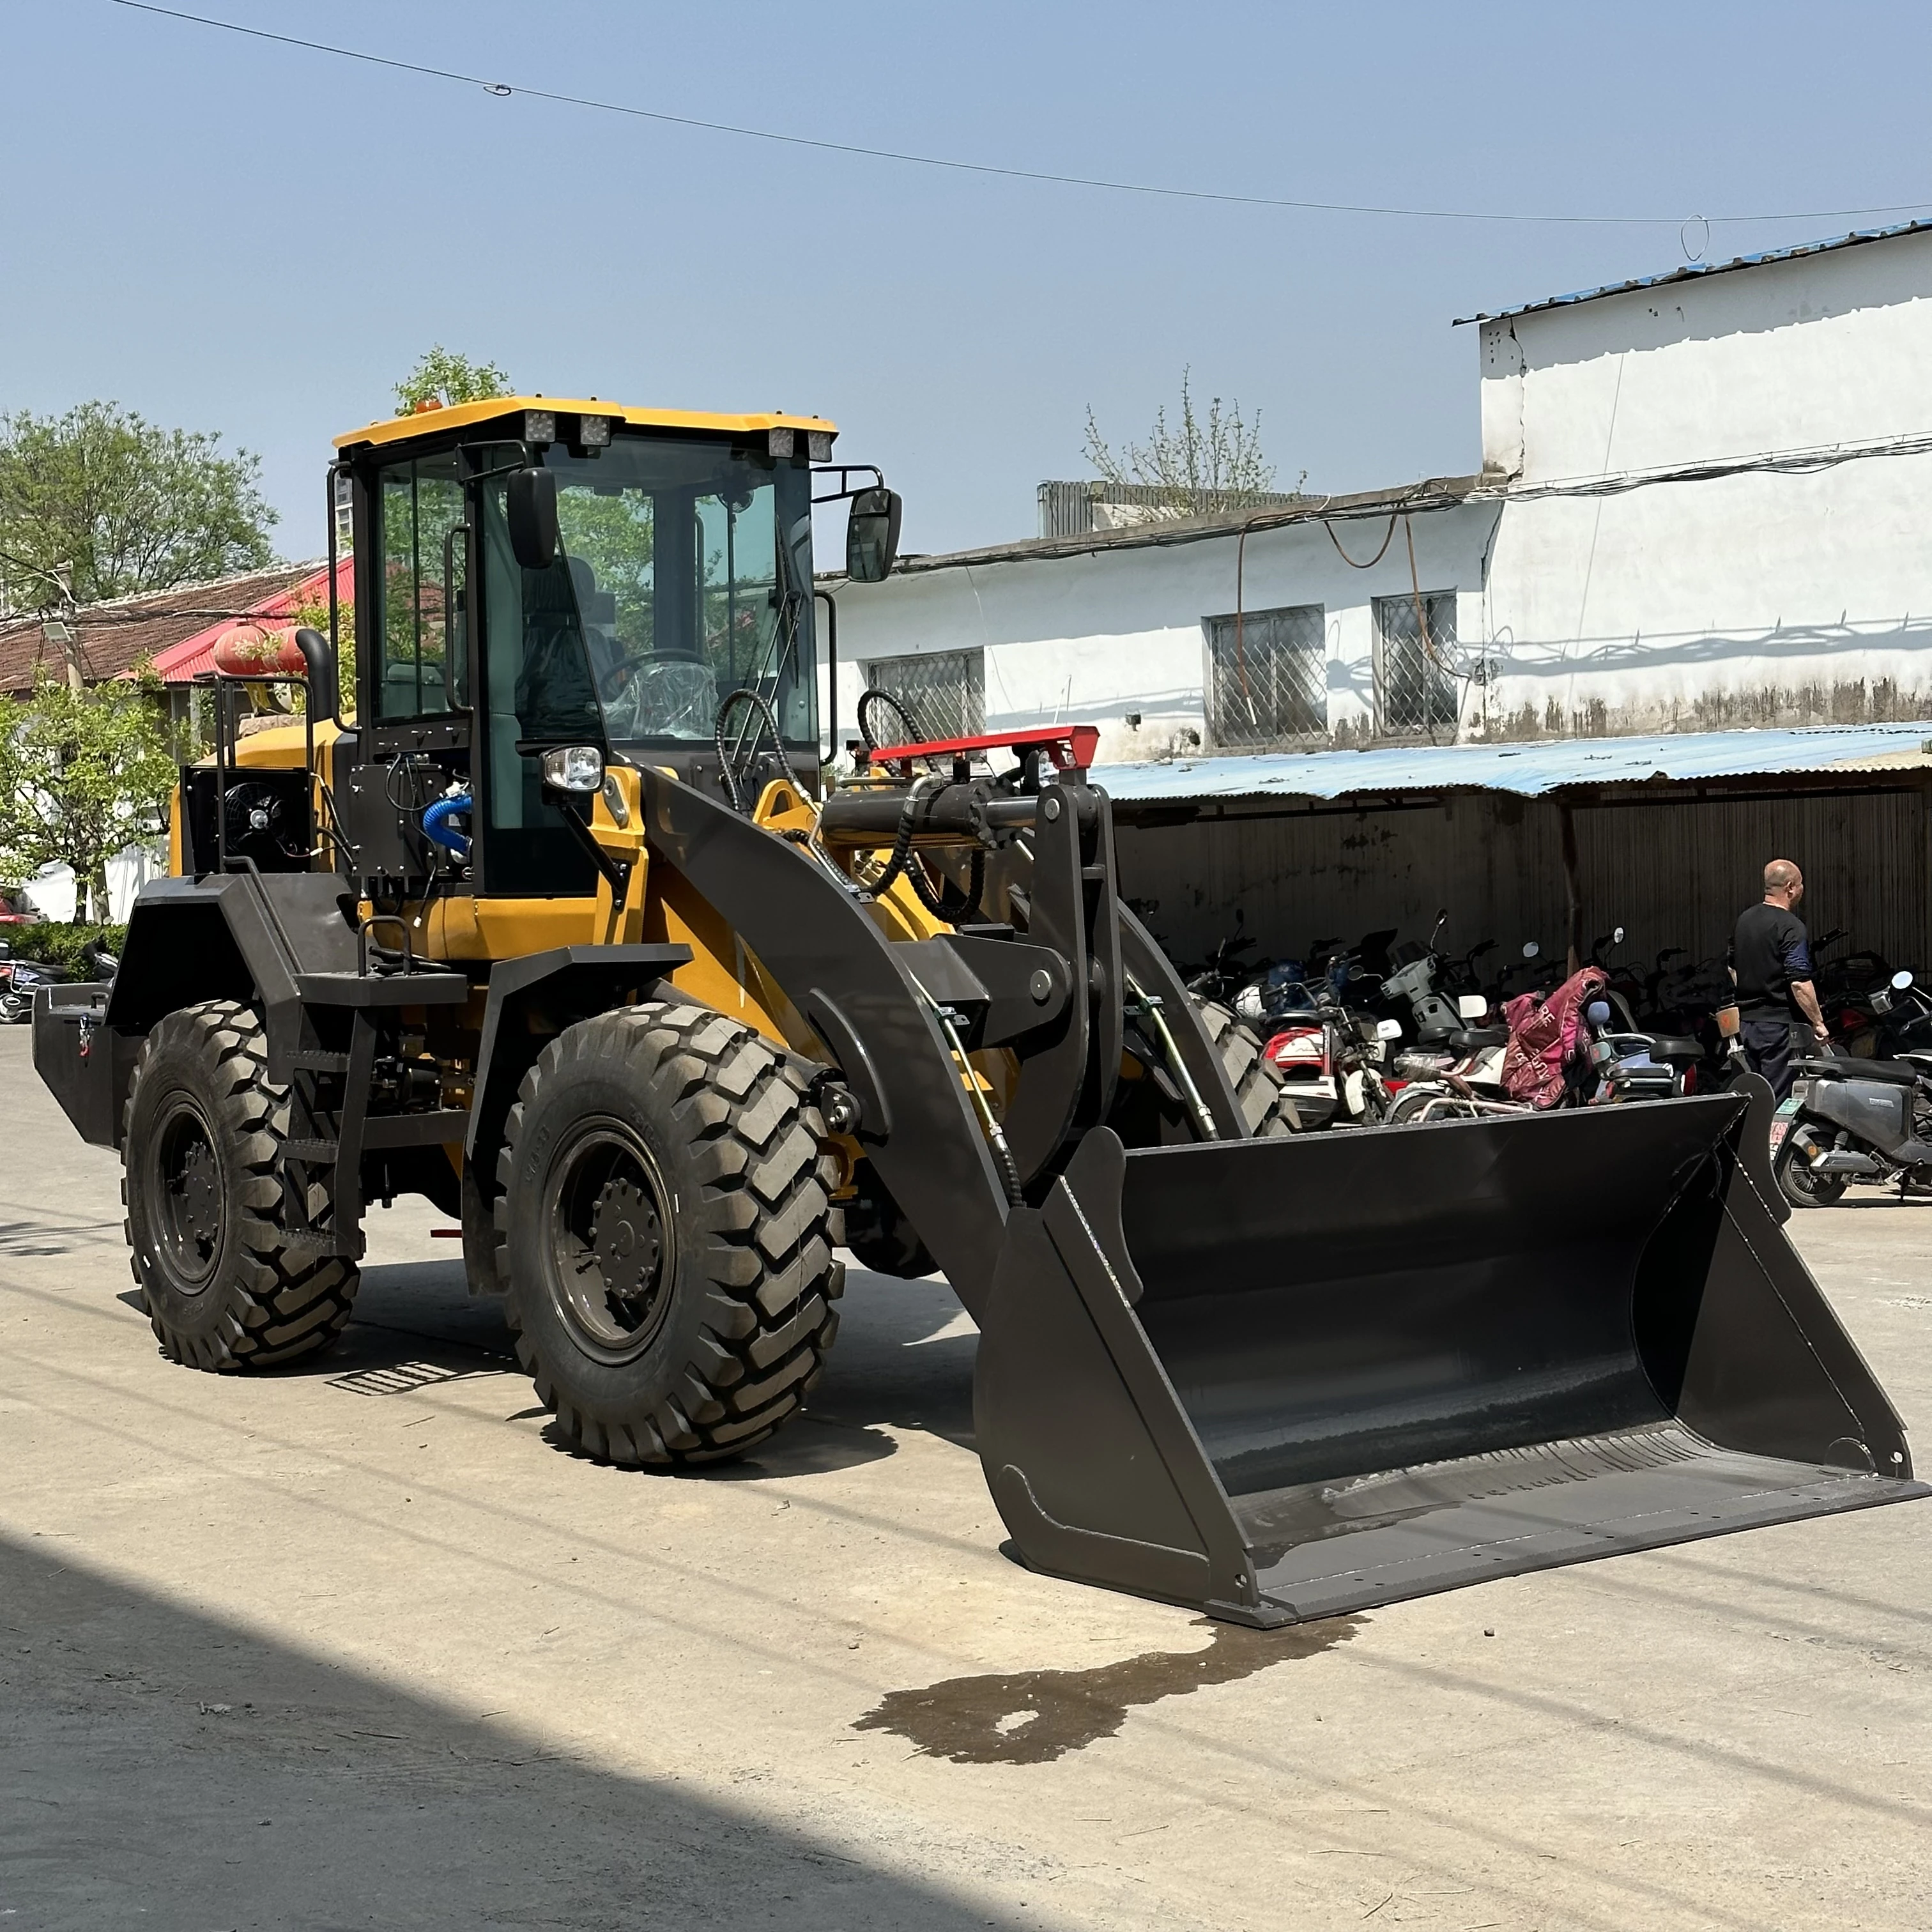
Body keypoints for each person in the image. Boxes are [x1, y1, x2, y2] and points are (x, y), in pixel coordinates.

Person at [1729, 859, 1830, 1100]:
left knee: (1754, 1095)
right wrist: (1818, 1022)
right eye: (1801, 884)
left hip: (1747, 1025)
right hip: (1778, 1028)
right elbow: (1799, 982)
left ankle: (1751, 1136)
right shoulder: (1791, 926)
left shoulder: (1744, 920)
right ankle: (1773, 1138)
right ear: (1790, 887)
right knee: (1778, 1098)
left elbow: (1733, 968)